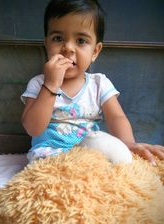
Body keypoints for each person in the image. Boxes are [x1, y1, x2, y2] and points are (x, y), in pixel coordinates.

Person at [21, 0, 164, 164]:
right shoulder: (39, 84)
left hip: (89, 155)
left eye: (81, 41)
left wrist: (128, 144)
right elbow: (33, 128)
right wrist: (51, 85)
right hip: (50, 157)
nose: (68, 47)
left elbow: (117, 117)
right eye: (58, 38)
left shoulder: (99, 84)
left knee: (114, 162)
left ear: (95, 51)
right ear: (47, 44)